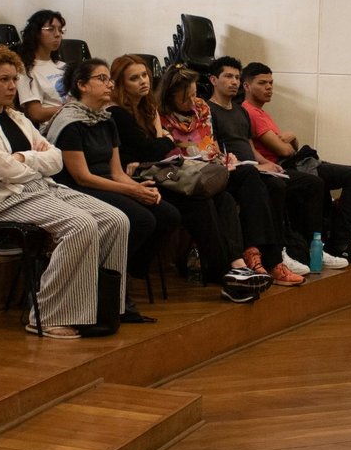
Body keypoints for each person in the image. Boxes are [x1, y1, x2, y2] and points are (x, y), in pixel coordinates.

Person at [0, 46, 129, 339]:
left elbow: (56, 159)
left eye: (14, 80)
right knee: (80, 224)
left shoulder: (18, 118)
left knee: (115, 219)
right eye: (3, 80)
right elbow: (4, 170)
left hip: (42, 188)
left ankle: (100, 309)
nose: (12, 86)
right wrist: (33, 161)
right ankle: (47, 315)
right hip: (6, 199)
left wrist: (25, 158)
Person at [109, 54, 264, 302]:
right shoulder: (118, 113)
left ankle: (236, 266)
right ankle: (225, 275)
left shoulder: (147, 110)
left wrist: (160, 140)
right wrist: (161, 139)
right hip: (139, 179)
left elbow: (163, 149)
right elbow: (154, 148)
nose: (143, 82)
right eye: (134, 78)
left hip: (162, 173)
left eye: (145, 75)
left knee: (222, 198)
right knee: (199, 203)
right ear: (119, 83)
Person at [45, 59, 167, 323]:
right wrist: (132, 193)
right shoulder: (70, 122)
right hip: (75, 189)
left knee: (165, 212)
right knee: (141, 219)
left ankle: (120, 274)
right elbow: (82, 176)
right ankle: (111, 287)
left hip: (106, 182)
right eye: (101, 78)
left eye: (108, 79)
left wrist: (140, 187)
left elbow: (117, 172)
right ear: (81, 85)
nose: (109, 83)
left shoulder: (106, 119)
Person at [159, 63, 301, 287]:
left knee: (263, 182)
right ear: (170, 95)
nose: (192, 102)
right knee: (247, 180)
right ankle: (257, 258)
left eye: (195, 94)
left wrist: (224, 160)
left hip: (213, 171)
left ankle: (258, 256)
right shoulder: (162, 115)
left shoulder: (201, 108)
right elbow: (171, 152)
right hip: (184, 176)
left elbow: (211, 144)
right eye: (185, 97)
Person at [241, 61, 351, 264]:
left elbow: (292, 144)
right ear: (246, 86)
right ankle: (340, 244)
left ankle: (348, 240)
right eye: (262, 83)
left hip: (291, 163)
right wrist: (288, 138)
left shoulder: (262, 112)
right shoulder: (250, 112)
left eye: (271, 83)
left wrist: (291, 137)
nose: (269, 87)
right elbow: (284, 149)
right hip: (285, 167)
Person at [206, 57, 331, 277]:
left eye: (236, 76)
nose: (234, 81)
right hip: (233, 172)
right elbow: (215, 151)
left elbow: (249, 144)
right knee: (274, 186)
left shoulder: (240, 111)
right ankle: (271, 254)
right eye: (228, 76)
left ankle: (308, 249)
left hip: (252, 168)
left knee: (312, 182)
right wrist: (256, 167)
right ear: (213, 80)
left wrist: (264, 163)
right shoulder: (208, 110)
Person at [17, 8, 67, 127]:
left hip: (73, 122)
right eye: (50, 29)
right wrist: (72, 110)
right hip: (51, 128)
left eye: (60, 30)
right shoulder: (25, 69)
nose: (57, 34)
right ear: (36, 33)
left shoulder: (63, 66)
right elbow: (36, 113)